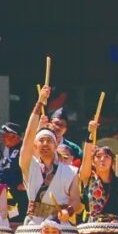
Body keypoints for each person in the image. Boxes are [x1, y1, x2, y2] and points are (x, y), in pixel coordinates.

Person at [19, 85, 81, 224]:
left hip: (60, 225)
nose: (45, 143)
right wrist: (39, 103)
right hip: (34, 224)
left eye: (49, 140)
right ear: (35, 145)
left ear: (56, 145)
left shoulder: (70, 171)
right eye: (41, 140)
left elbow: (76, 200)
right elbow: (28, 137)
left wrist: (68, 211)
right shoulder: (29, 166)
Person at [79, 120, 118, 223]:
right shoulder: (88, 178)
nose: (102, 159)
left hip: (113, 226)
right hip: (90, 226)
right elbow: (85, 159)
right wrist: (90, 134)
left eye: (107, 157)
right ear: (93, 162)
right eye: (98, 157)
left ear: (112, 162)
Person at [0, 122, 26, 223]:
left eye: (6, 136)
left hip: (18, 195)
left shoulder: (23, 151)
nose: (3, 138)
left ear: (16, 137)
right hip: (2, 193)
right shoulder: (3, 151)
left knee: (16, 221)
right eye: (2, 135)